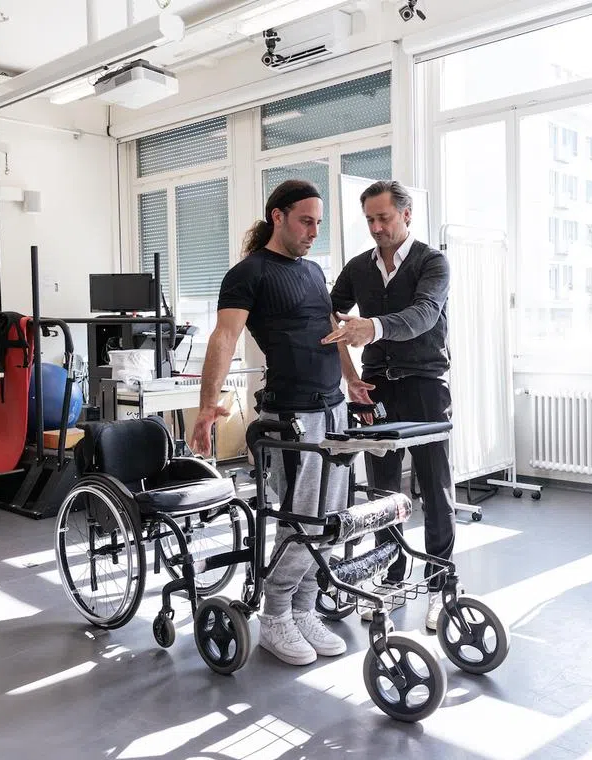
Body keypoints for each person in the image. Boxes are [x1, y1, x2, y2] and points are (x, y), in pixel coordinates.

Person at [189, 179, 356, 667]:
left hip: (333, 408)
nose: (313, 231)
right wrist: (206, 405)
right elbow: (224, 336)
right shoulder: (249, 273)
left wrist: (352, 378)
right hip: (291, 416)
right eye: (306, 221)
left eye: (319, 223)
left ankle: (303, 610)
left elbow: (331, 331)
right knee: (299, 521)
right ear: (277, 216)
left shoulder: (311, 270)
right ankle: (275, 615)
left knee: (328, 523)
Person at [324, 179, 454, 631]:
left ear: (407, 215)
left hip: (424, 385)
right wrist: (348, 371)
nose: (377, 227)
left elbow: (423, 315)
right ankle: (391, 575)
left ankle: (442, 586)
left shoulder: (432, 262)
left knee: (434, 487)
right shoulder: (359, 267)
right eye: (370, 220)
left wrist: (372, 328)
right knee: (382, 491)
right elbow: (329, 311)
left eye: (385, 217)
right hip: (376, 388)